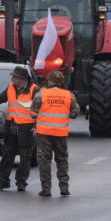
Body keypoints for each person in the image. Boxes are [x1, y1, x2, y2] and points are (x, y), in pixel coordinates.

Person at [0, 66, 40, 191]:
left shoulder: (34, 91)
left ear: (21, 79)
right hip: (11, 128)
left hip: (26, 130)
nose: (12, 78)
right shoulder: (11, 87)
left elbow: (41, 111)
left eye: (14, 77)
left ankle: (21, 182)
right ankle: (3, 181)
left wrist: (36, 127)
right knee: (7, 155)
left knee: (25, 158)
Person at [31, 69, 80, 197]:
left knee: (44, 161)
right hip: (61, 133)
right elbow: (75, 114)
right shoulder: (69, 95)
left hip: (44, 133)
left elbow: (33, 113)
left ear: (49, 81)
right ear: (61, 82)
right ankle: (64, 187)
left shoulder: (41, 94)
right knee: (62, 160)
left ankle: (46, 189)